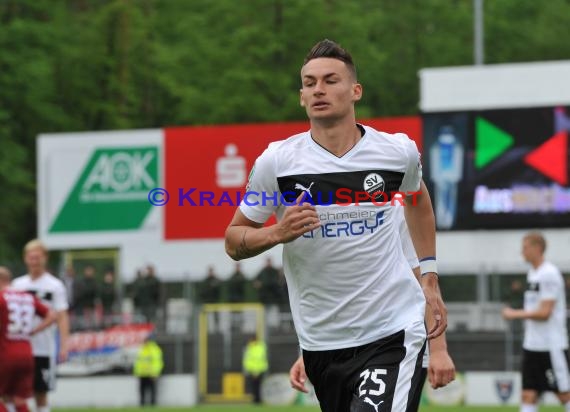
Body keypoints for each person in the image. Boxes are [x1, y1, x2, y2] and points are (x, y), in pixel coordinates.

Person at [225, 39, 446, 411]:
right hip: (321, 343)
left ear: (355, 90)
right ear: (301, 96)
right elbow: (234, 240)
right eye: (310, 83)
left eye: (330, 80)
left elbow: (417, 200)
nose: (319, 90)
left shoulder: (396, 152)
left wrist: (429, 275)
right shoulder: (277, 163)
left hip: (393, 330)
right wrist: (277, 233)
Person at [289, 203, 455, 411]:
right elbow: (339, 292)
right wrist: (309, 353)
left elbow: (424, 281)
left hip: (395, 343)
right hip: (342, 347)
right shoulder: (325, 210)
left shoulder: (392, 207)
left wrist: (438, 350)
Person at [503, 232, 570, 412]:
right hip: (532, 345)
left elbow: (545, 313)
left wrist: (514, 314)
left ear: (537, 248)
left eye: (525, 247)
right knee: (528, 394)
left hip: (550, 346)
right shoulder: (533, 273)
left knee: (563, 394)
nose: (522, 252)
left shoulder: (549, 273)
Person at [11, 239, 70, 412]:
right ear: (25, 259)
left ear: (45, 258)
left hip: (44, 348)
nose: (34, 261)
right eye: (31, 257)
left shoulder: (55, 285)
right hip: (20, 349)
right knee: (16, 393)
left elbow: (62, 316)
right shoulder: (18, 285)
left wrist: (64, 345)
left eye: (37, 257)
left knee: (41, 393)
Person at [0, 266, 58, 412]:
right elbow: (52, 315)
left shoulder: (2, 297)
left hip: (6, 352)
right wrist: (32, 331)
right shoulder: (27, 296)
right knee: (18, 399)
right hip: (27, 352)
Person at [133, 333, 164, 407]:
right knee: (142, 391)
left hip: (151, 374)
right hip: (142, 374)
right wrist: (137, 372)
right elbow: (138, 362)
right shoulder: (141, 349)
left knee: (152, 391)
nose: (145, 341)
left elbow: (157, 363)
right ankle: (142, 405)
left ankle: (153, 405)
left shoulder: (154, 349)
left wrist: (155, 373)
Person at [242, 334, 269, 404]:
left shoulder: (251, 347)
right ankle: (257, 399)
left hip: (257, 370)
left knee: (256, 386)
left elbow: (252, 360)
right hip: (257, 370)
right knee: (256, 386)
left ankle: (257, 400)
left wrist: (255, 371)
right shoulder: (261, 346)